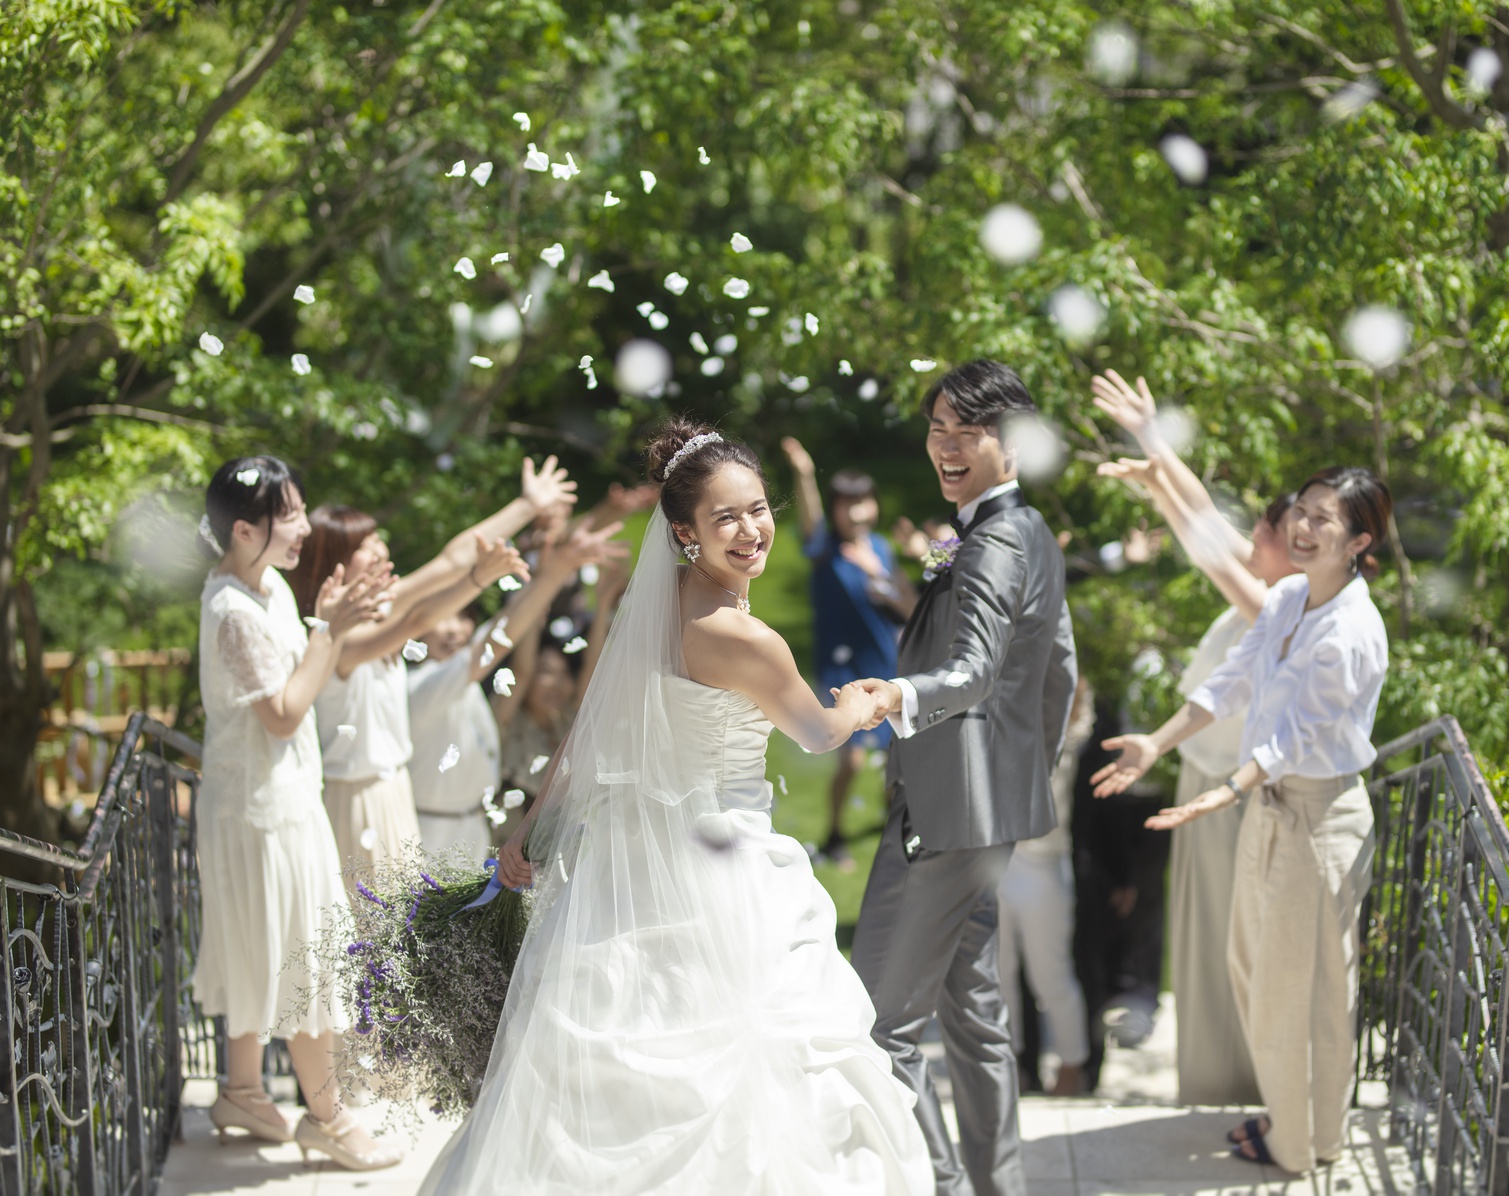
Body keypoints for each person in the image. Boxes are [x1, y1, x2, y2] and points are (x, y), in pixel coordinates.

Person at [421, 420, 932, 1195]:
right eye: (726, 517)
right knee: (755, 1055)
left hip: (625, 869)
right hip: (722, 866)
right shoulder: (743, 637)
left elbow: (590, 728)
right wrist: (876, 697)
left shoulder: (643, 614)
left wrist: (529, 824)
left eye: (758, 509)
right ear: (684, 532)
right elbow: (818, 733)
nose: (752, 530)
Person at [1092, 466, 1393, 1174]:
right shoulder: (1290, 595)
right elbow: (1233, 680)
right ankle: (1306, 1126)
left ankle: (1301, 1145)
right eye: (1303, 511)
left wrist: (1223, 791)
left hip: (1319, 819)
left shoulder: (1350, 631)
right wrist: (1156, 743)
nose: (1303, 526)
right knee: (1258, 973)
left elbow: (1293, 738)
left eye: (1324, 519)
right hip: (1272, 806)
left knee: (1303, 988)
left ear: (1358, 540)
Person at [848, 359, 1080, 1196]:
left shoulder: (995, 540)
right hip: (983, 813)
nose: (944, 445)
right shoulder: (1019, 532)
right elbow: (1058, 670)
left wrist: (894, 696)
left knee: (877, 1027)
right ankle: (997, 1187)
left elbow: (976, 672)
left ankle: (944, 1185)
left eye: (964, 431)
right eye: (936, 428)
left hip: (945, 816)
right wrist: (1013, 781)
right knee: (972, 1015)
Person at [1091, 368, 1299, 1106]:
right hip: (1205, 787)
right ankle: (1221, 1091)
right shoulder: (1272, 590)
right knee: (1207, 949)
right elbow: (1210, 521)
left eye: (1269, 533)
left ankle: (1239, 1092)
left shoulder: (1277, 611)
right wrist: (1156, 458)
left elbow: (1209, 547)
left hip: (1231, 801)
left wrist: (1156, 474)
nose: (1257, 537)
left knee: (1225, 953)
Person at [192, 455, 403, 1170]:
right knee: (299, 955)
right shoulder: (230, 610)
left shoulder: (268, 587)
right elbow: (283, 712)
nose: (302, 526)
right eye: (287, 516)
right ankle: (330, 1119)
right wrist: (331, 630)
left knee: (263, 943)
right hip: (260, 813)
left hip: (277, 799)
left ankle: (244, 1091)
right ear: (245, 531)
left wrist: (324, 621)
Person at [293, 458, 570, 886]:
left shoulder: (373, 613)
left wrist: (527, 505)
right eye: (368, 544)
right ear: (338, 562)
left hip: (392, 791)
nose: (383, 550)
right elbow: (414, 621)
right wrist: (478, 578)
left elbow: (450, 559)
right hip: (356, 798)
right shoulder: (335, 634)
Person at [779, 438, 916, 866]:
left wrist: (878, 574)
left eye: (864, 503)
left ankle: (894, 834)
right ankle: (835, 833)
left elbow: (909, 607)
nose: (857, 513)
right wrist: (804, 473)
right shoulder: (824, 550)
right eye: (847, 505)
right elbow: (810, 519)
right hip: (841, 671)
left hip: (884, 666)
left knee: (897, 764)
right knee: (852, 760)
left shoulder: (881, 549)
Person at [489, 522, 629, 824]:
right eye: (547, 673)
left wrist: (604, 602)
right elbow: (522, 671)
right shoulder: (505, 720)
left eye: (564, 674)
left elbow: (593, 676)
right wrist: (537, 598)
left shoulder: (566, 719)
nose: (556, 683)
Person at [997, 680, 1093, 1098]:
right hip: (995, 860)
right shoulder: (998, 710)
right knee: (996, 975)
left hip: (1043, 862)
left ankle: (1072, 1066)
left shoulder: (1065, 721)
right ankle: (1010, 1065)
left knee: (1050, 975)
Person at [405, 604, 509, 863]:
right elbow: (486, 648)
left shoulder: (468, 685)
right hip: (431, 836)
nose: (453, 629)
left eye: (463, 617)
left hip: (473, 828)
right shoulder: (421, 684)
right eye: (442, 617)